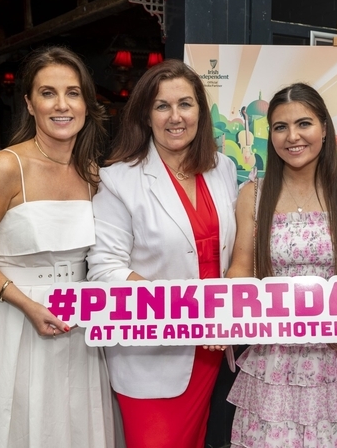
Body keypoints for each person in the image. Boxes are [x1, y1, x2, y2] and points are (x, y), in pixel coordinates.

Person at [0, 46, 119, 447]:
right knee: (22, 424)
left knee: (75, 425)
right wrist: (25, 303)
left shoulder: (94, 171)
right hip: (17, 320)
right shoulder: (6, 166)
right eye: (48, 93)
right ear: (29, 103)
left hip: (81, 324)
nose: (62, 105)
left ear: (87, 102)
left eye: (73, 93)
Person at [86, 59, 238, 448]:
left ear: (201, 112)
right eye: (162, 106)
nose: (176, 117)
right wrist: (190, 312)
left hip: (212, 350)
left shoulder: (223, 168)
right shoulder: (118, 179)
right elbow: (105, 269)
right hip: (152, 352)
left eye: (185, 104)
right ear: (145, 115)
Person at [226, 83, 337, 447]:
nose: (292, 136)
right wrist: (221, 319)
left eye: (304, 124)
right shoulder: (254, 195)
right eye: (280, 127)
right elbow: (241, 269)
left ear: (324, 128)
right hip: (273, 359)